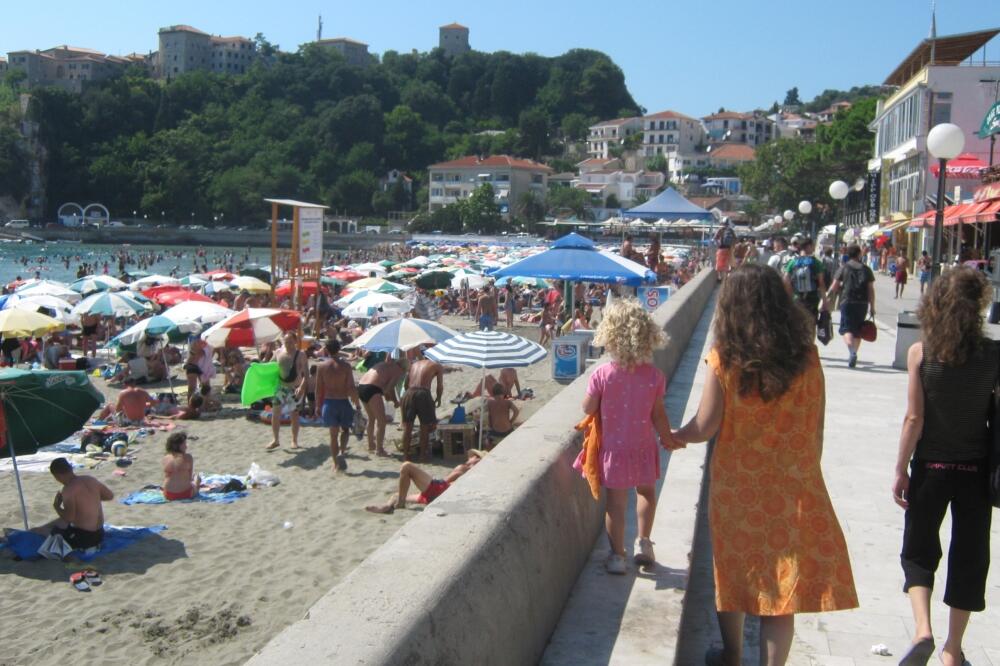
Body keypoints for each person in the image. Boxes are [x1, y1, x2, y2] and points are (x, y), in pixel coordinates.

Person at [672, 264, 858, 666]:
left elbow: (705, 426)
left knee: (733, 570)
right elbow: (817, 423)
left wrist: (675, 436)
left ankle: (733, 654)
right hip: (792, 485)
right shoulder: (807, 358)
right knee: (781, 588)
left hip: (738, 486)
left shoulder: (724, 359)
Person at [891, 267, 996, 666]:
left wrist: (901, 469)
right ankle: (953, 649)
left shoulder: (922, 352)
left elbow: (914, 420)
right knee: (969, 557)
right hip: (976, 471)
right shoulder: (993, 356)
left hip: (931, 467)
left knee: (918, 551)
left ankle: (923, 630)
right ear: (979, 306)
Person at [576, 299, 679, 575]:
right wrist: (667, 437)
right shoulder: (655, 377)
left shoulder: (602, 374)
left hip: (614, 451)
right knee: (646, 493)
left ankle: (618, 556)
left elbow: (587, 408)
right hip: (643, 447)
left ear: (609, 336)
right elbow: (658, 414)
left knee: (616, 505)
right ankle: (644, 543)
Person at [364, 450, 486, 514]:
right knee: (397, 495)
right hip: (439, 492)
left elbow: (446, 482)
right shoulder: (471, 472)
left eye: (474, 456)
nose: (471, 457)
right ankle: (387, 506)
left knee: (407, 467)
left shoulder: (465, 468)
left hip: (440, 489)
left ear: (477, 460)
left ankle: (397, 505)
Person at [33, 458, 113, 553]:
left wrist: (57, 507)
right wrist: (91, 498)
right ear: (71, 468)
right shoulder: (90, 479)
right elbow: (109, 496)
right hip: (100, 534)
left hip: (84, 538)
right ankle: (43, 527)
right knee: (58, 522)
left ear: (57, 476)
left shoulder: (68, 490)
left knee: (41, 532)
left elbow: (69, 518)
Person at [826, 244, 875, 368]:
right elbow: (870, 289)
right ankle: (853, 353)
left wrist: (827, 297)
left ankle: (852, 352)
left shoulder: (844, 268)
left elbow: (834, 285)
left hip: (847, 301)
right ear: (859, 254)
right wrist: (872, 306)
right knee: (858, 330)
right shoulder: (866, 269)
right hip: (862, 303)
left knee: (847, 329)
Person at [316, 339, 361, 473]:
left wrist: (317, 406)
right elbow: (351, 387)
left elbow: (319, 389)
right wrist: (357, 403)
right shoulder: (346, 366)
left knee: (333, 435)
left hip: (329, 403)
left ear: (326, 350)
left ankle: (335, 464)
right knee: (345, 431)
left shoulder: (321, 367)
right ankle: (342, 451)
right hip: (343, 402)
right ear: (339, 349)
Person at [400, 347, 444, 461]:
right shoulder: (437, 365)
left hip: (408, 393)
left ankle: (405, 455)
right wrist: (438, 398)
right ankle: (422, 455)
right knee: (425, 426)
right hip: (423, 393)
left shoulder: (414, 364)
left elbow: (406, 383)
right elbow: (439, 386)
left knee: (408, 426)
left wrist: (407, 394)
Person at [266, 331, 308, 451]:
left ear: (295, 341)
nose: (288, 344)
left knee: (294, 415)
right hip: (280, 387)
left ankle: (294, 440)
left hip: (294, 388)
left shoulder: (301, 355)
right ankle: (275, 440)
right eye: (286, 341)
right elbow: (269, 367)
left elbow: (306, 374)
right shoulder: (279, 352)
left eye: (290, 341)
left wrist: (301, 387)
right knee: (275, 413)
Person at [357, 354, 405, 457]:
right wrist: (395, 401)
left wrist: (386, 396)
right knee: (382, 422)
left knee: (371, 418)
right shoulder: (398, 371)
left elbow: (385, 388)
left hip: (361, 386)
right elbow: (389, 389)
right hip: (372, 388)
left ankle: (371, 445)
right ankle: (379, 450)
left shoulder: (384, 364)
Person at [783, 237, 828, 322]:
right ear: (809, 246)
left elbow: (785, 280)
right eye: (813, 245)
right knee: (811, 322)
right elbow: (821, 283)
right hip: (812, 298)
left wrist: (790, 296)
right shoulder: (816, 262)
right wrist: (824, 301)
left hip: (797, 298)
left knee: (798, 323)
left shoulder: (792, 262)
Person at [162, 433, 200, 501]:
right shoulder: (188, 457)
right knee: (197, 478)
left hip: (168, 494)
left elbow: (167, 476)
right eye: (184, 444)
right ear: (177, 446)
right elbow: (189, 477)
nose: (186, 446)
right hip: (185, 494)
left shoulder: (166, 458)